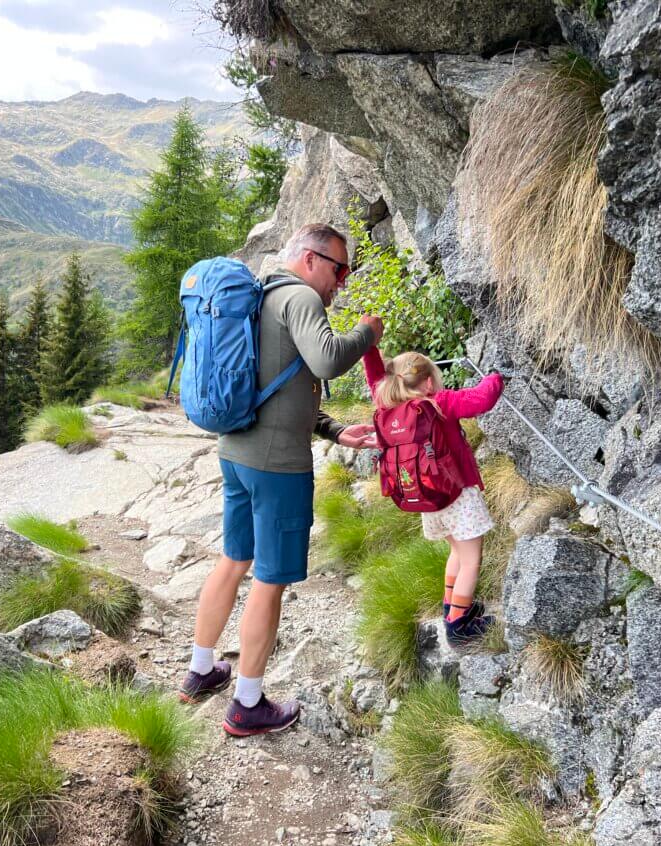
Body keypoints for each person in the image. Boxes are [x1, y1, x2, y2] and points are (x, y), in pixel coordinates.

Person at [179, 223, 384, 737]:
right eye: (340, 269)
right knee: (269, 580)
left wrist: (336, 431)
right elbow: (327, 359)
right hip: (277, 468)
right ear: (312, 259)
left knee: (233, 560)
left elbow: (280, 384)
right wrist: (368, 333)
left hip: (237, 452)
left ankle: (202, 670)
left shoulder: (261, 296)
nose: (341, 282)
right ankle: (248, 704)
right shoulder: (301, 299)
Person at [363, 347, 504, 644]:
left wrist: (369, 346)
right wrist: (496, 375)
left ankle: (452, 606)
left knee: (457, 551)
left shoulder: (387, 407)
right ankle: (459, 626)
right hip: (457, 494)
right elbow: (483, 398)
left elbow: (375, 379)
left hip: (429, 498)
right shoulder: (439, 402)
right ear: (428, 382)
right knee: (470, 560)